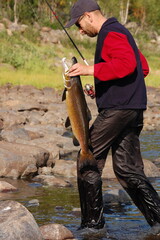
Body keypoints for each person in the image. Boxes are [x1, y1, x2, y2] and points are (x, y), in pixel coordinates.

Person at [65, 0, 160, 233]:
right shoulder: (121, 32)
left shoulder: (111, 33)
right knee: (128, 170)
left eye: (79, 24)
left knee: (88, 161)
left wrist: (91, 70)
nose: (80, 30)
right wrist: (102, 87)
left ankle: (92, 226)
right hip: (132, 109)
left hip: (118, 110)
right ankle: (158, 220)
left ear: (88, 16)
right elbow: (142, 67)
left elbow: (127, 65)